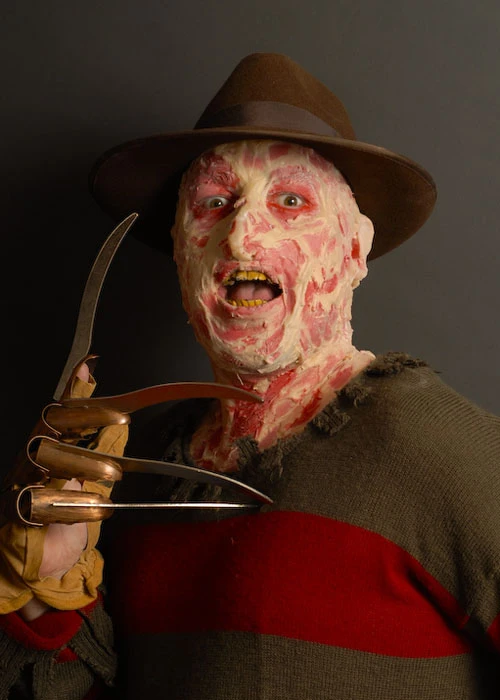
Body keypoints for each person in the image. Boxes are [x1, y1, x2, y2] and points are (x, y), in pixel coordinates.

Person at [1, 52, 500, 699]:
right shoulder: (124, 466)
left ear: (354, 248)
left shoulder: (440, 448)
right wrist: (46, 595)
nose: (240, 237)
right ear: (181, 252)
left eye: (290, 200)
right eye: (214, 203)